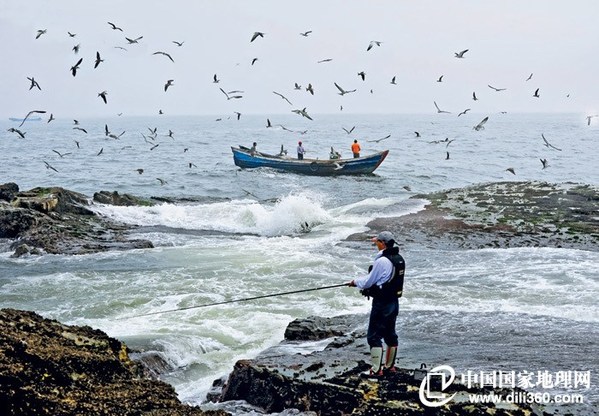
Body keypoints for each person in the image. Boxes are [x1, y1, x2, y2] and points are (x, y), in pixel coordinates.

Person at [347, 231, 405, 378]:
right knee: (390, 334)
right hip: (393, 301)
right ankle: (390, 367)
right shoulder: (398, 258)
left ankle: (376, 370)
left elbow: (369, 281)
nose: (376, 244)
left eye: (377, 242)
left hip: (382, 302)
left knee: (374, 336)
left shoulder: (382, 261)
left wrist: (355, 282)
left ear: (383, 243)